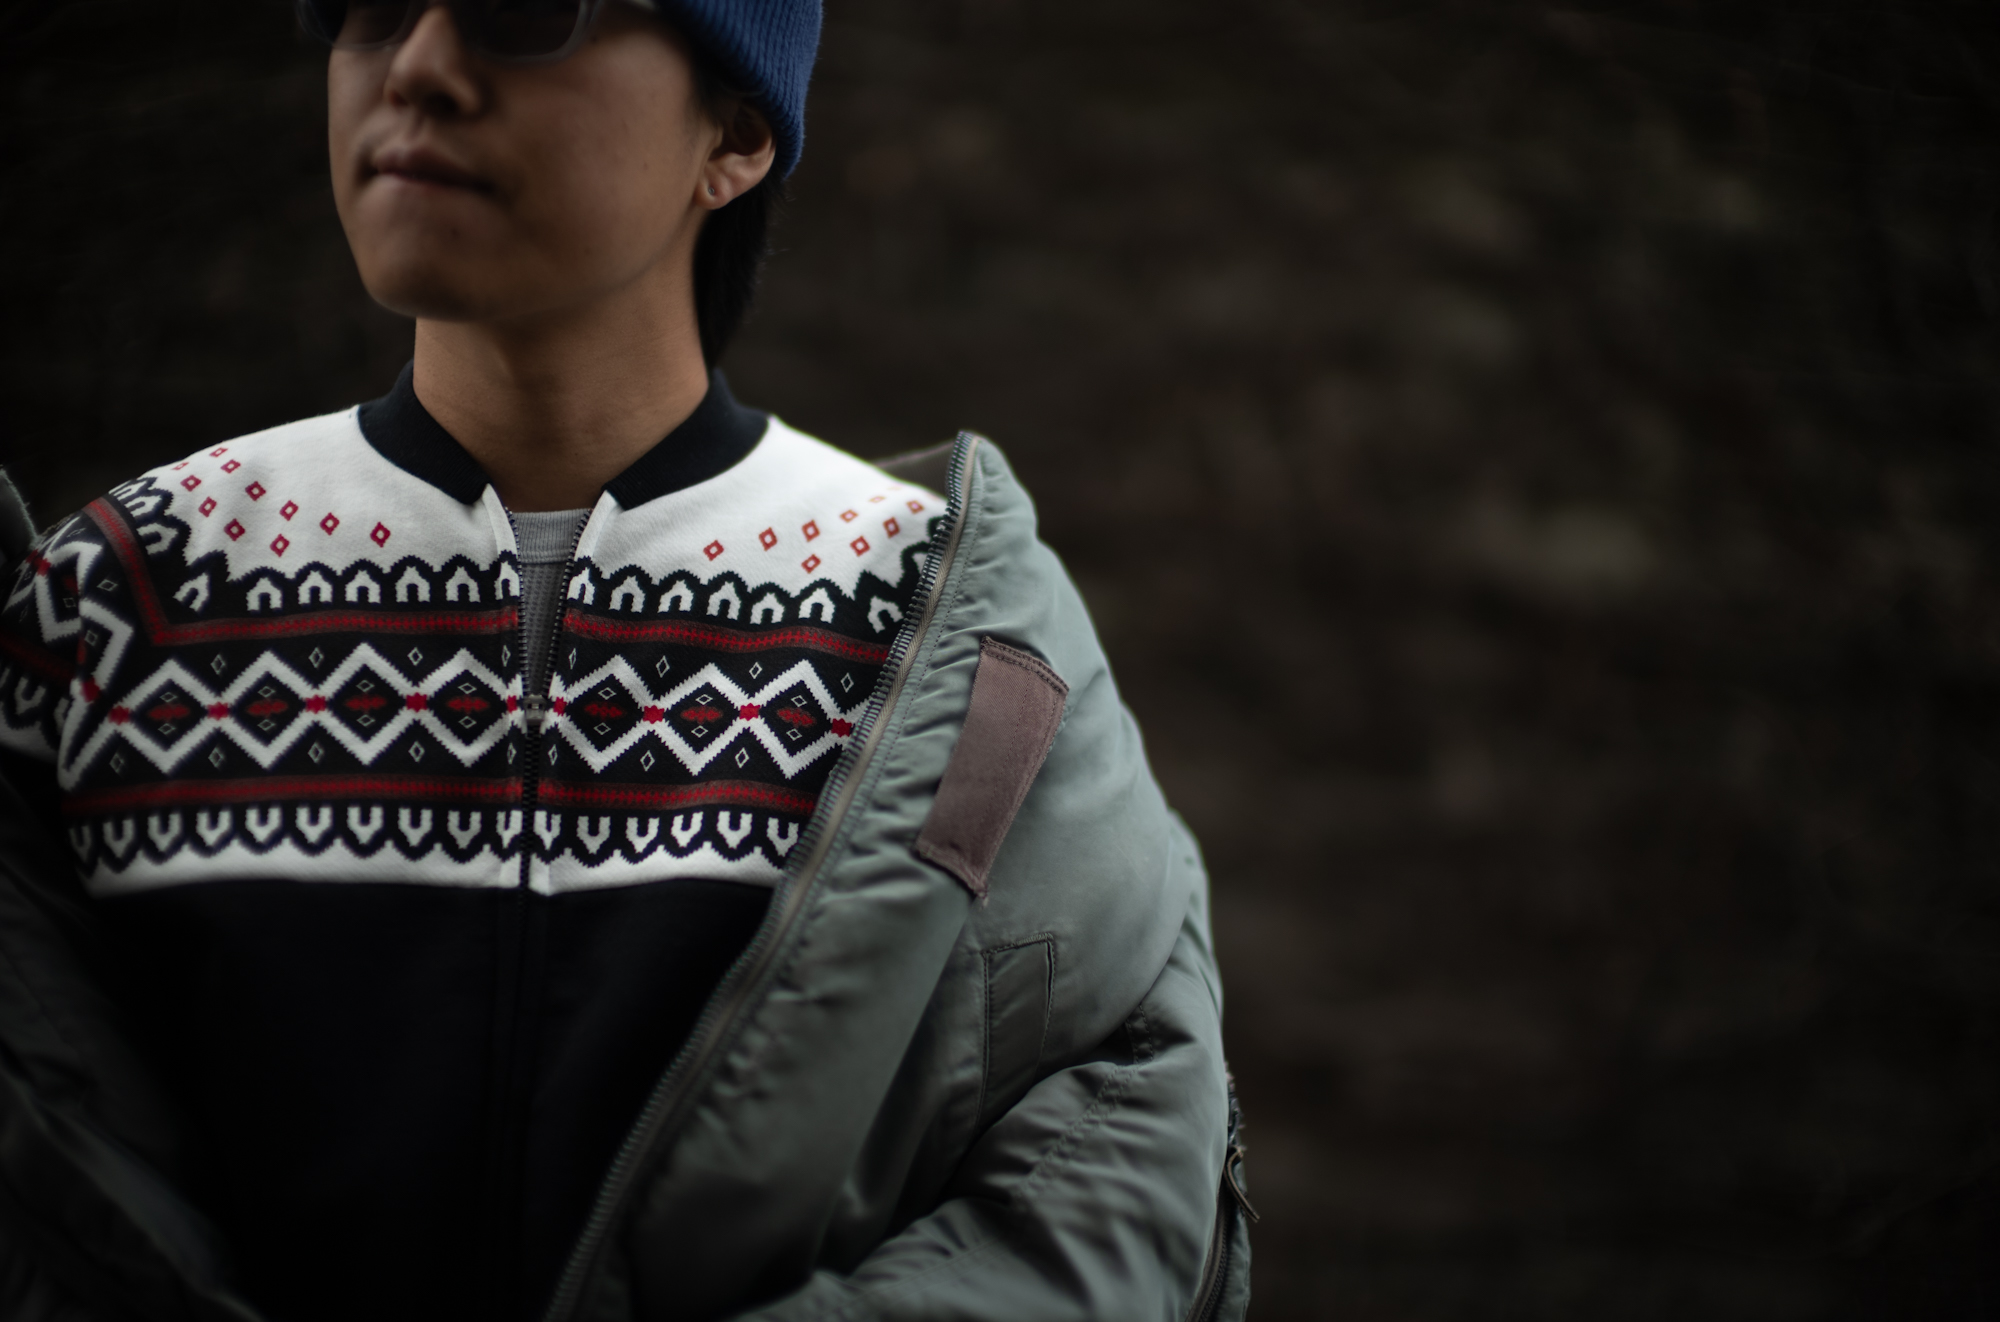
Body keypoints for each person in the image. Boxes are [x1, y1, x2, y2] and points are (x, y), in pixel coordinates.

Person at [0, 1, 1251, 1318]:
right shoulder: (121, 598)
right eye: (369, 6)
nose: (417, 67)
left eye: (526, 10)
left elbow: (1105, 1161)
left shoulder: (938, 632)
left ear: (738, 132)